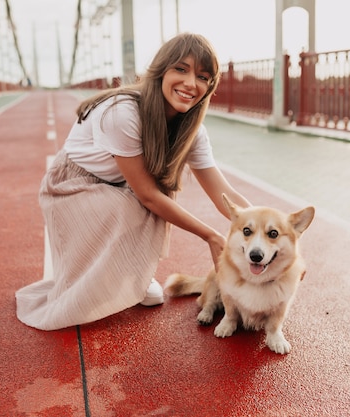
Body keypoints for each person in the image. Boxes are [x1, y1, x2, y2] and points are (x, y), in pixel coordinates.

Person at [15, 33, 251, 331]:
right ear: (161, 70)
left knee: (162, 188)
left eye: (203, 77)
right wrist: (212, 236)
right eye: (181, 69)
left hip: (119, 189)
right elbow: (147, 196)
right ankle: (131, 273)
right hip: (70, 189)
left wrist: (274, 234)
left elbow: (223, 193)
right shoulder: (123, 112)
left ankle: (135, 272)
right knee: (147, 200)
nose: (191, 83)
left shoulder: (192, 130)